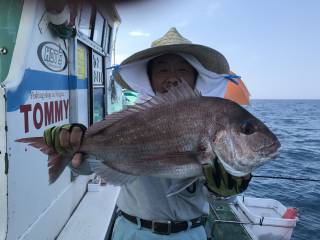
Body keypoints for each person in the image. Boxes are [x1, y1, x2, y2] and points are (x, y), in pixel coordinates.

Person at [45, 27, 251, 239]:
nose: (173, 78)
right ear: (149, 78)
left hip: (191, 233)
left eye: (183, 70)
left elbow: (221, 198)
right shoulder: (127, 120)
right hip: (132, 231)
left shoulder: (210, 120)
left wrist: (227, 187)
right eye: (162, 70)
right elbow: (86, 167)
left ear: (196, 76)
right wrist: (70, 147)